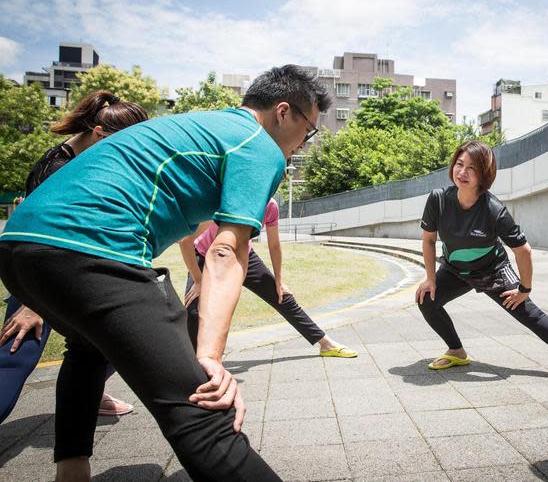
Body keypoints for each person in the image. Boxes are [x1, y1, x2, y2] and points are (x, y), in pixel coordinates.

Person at [0, 65, 330, 481]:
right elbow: (227, 251)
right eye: (309, 130)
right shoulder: (259, 146)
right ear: (284, 112)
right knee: (205, 408)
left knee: (87, 349)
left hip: (17, 248)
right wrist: (208, 357)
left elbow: (190, 235)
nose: (303, 144)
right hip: (94, 249)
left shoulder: (201, 126)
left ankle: (72, 471)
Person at [0, 90, 147, 423]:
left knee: (119, 341)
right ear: (99, 134)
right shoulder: (57, 168)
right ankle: (87, 390)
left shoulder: (77, 161)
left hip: (66, 277)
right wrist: (31, 305)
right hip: (41, 282)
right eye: (123, 147)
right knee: (15, 359)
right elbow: (34, 237)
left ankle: (88, 390)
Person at [415, 140, 548, 390]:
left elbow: (523, 251)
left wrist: (524, 289)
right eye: (459, 164)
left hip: (492, 271)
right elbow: (428, 240)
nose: (462, 172)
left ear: (484, 175)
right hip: (455, 268)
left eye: (471, 168)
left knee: (529, 314)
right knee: (427, 299)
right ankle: (457, 351)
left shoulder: (493, 210)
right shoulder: (438, 199)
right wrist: (431, 278)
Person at [181, 197, 357, 357]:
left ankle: (325, 344)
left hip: (244, 256)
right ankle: (196, 365)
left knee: (281, 296)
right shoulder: (228, 201)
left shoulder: (270, 206)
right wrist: (198, 280)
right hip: (206, 257)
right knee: (194, 310)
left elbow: (274, 245)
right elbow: (186, 241)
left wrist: (279, 280)